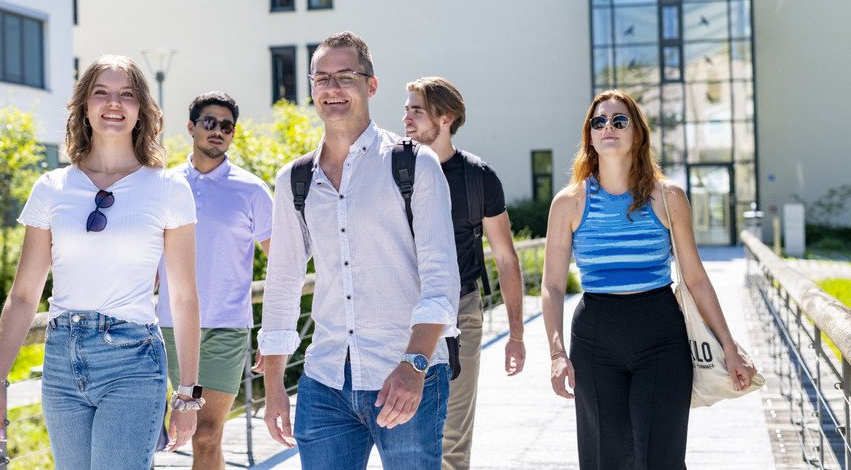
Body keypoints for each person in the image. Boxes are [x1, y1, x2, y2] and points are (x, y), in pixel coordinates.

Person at [0, 55, 203, 469]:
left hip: (132, 362)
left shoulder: (168, 188)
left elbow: (184, 297)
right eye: (101, 92)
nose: (113, 103)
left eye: (126, 94)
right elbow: (24, 295)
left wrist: (188, 392)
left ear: (141, 110)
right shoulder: (52, 187)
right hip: (61, 359)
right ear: (83, 106)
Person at [258, 31, 460, 470]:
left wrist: (414, 365)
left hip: (406, 374)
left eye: (346, 76)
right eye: (321, 78)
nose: (332, 88)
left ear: (371, 85)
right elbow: (283, 282)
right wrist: (275, 382)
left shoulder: (412, 163)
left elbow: (441, 276)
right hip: (325, 380)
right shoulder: (294, 179)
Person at [541, 89, 757, 469]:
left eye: (619, 120)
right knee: (604, 459)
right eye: (599, 122)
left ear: (637, 133)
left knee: (661, 459)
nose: (609, 127)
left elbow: (695, 277)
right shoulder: (569, 202)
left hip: (660, 334)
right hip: (595, 338)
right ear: (589, 136)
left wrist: (730, 346)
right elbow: (553, 285)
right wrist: (557, 354)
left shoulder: (667, 195)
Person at [402, 76, 526, 470]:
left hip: (461, 312)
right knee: (401, 430)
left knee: (453, 438)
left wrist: (516, 335)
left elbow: (506, 257)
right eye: (406, 108)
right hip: (402, 311)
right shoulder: (394, 169)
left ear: (446, 117)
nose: (406, 117)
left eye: (416, 110)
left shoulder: (478, 177)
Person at [157, 91, 272, 470]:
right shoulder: (163, 185)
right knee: (185, 434)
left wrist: (273, 330)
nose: (218, 131)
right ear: (191, 128)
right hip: (170, 326)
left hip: (226, 327)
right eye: (209, 123)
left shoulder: (252, 189)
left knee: (207, 433)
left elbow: (283, 263)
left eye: (226, 126)